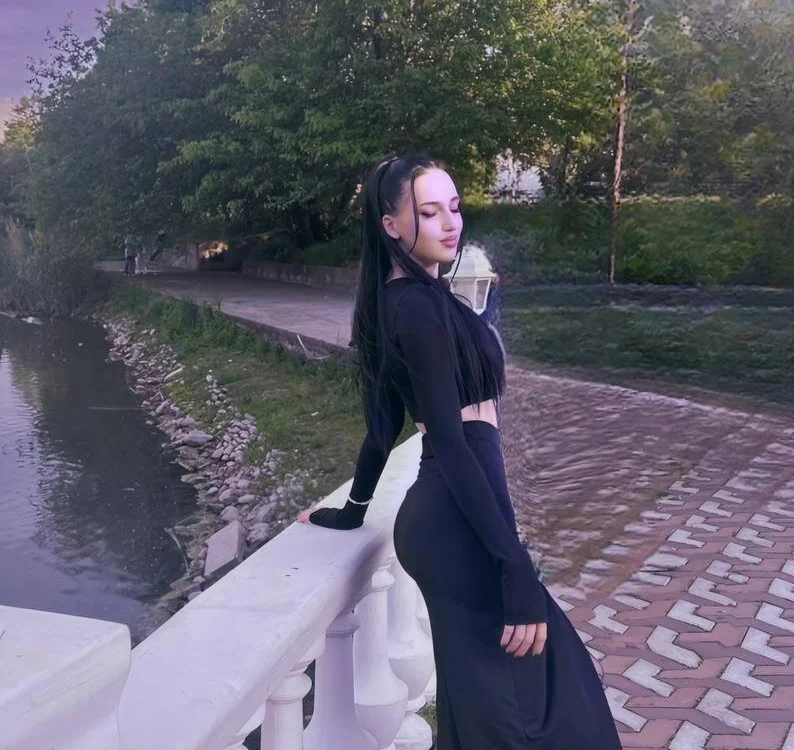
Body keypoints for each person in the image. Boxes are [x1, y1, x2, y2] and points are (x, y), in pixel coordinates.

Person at [298, 154, 622, 750]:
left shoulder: (403, 300)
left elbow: (381, 431)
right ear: (390, 224)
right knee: (542, 708)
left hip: (448, 516)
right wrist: (514, 564)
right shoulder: (418, 307)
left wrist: (353, 509)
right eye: (429, 212)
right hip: (455, 515)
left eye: (454, 207)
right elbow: (449, 441)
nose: (451, 224)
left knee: (497, 707)